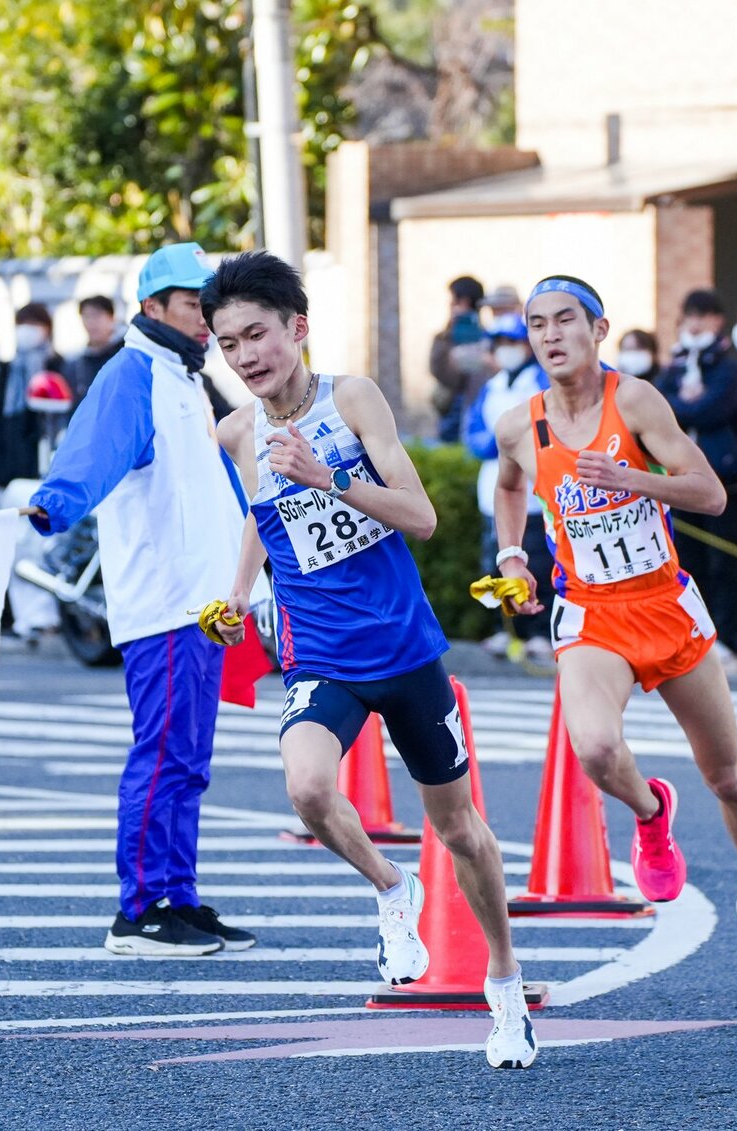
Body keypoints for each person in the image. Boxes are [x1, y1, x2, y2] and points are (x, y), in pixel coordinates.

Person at [205, 250, 537, 1068]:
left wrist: (328, 477)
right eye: (229, 343)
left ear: (297, 329)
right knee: (309, 787)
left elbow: (420, 515)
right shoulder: (235, 431)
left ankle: (504, 987)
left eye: (259, 335)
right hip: (320, 651)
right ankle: (392, 888)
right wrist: (238, 592)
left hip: (405, 648)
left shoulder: (352, 399)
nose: (247, 356)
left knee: (459, 828)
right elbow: (262, 511)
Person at [493, 273, 737, 1002]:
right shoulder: (520, 423)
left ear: (599, 330)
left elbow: (712, 493)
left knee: (728, 777)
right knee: (595, 748)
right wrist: (512, 554)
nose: (551, 334)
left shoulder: (632, 401)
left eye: (566, 320)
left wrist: (635, 479)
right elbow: (510, 485)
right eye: (538, 323)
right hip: (592, 614)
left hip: (663, 604)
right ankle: (652, 813)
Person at [26, 243, 254, 957]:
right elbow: (93, 449)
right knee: (162, 756)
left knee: (187, 760)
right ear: (153, 307)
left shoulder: (182, 374)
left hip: (201, 604)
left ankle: (176, 897)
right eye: (194, 305)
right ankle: (139, 909)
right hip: (164, 604)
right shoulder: (134, 374)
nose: (207, 319)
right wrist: (54, 502)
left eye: (209, 306)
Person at [655, 289, 737, 667]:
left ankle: (731, 637)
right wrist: (688, 404)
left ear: (719, 320)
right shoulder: (674, 363)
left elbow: (715, 409)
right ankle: (695, 633)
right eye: (690, 315)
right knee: (690, 563)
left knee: (727, 566)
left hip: (725, 477)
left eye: (703, 315)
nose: (695, 323)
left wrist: (687, 406)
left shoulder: (730, 364)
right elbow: (661, 409)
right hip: (680, 479)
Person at [464, 312, 553, 660]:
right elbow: (474, 433)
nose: (507, 350)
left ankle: (539, 630)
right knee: (496, 558)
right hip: (493, 486)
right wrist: (502, 443)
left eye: (513, 343)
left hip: (534, 490)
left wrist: (512, 443)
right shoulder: (492, 385)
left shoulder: (541, 381)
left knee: (539, 562)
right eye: (501, 344)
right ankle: (505, 627)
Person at [0, 302, 63, 493]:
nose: (27, 330)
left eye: (34, 323)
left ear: (47, 329)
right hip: (5, 472)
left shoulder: (57, 368)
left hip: (45, 470)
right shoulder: (6, 372)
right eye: (22, 323)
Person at [428, 275, 489, 443]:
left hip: (479, 405)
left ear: (465, 300)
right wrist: (449, 333)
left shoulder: (488, 336)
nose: (450, 304)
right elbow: (438, 370)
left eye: (453, 300)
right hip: (450, 407)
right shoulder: (445, 337)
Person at [66, 295, 125, 407]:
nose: (91, 322)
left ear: (111, 317)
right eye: (86, 316)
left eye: (97, 315)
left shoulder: (126, 354)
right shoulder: (77, 364)